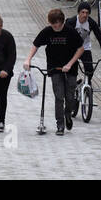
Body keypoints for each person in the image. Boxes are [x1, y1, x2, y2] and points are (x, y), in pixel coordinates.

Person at [23, 7, 83, 136]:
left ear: (62, 21)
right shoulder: (47, 31)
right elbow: (36, 45)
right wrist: (28, 59)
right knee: (59, 97)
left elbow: (80, 49)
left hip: (70, 69)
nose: (55, 26)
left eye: (57, 23)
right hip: (54, 68)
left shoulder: (70, 32)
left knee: (70, 97)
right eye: (52, 23)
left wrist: (70, 64)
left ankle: (68, 114)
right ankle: (60, 125)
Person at [69, 2, 101, 80]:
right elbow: (65, 36)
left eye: (87, 13)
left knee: (89, 70)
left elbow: (99, 37)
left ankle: (87, 83)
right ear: (79, 12)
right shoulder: (71, 22)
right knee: (71, 69)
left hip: (85, 47)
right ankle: (73, 83)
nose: (85, 15)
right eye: (83, 12)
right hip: (72, 48)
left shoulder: (91, 23)